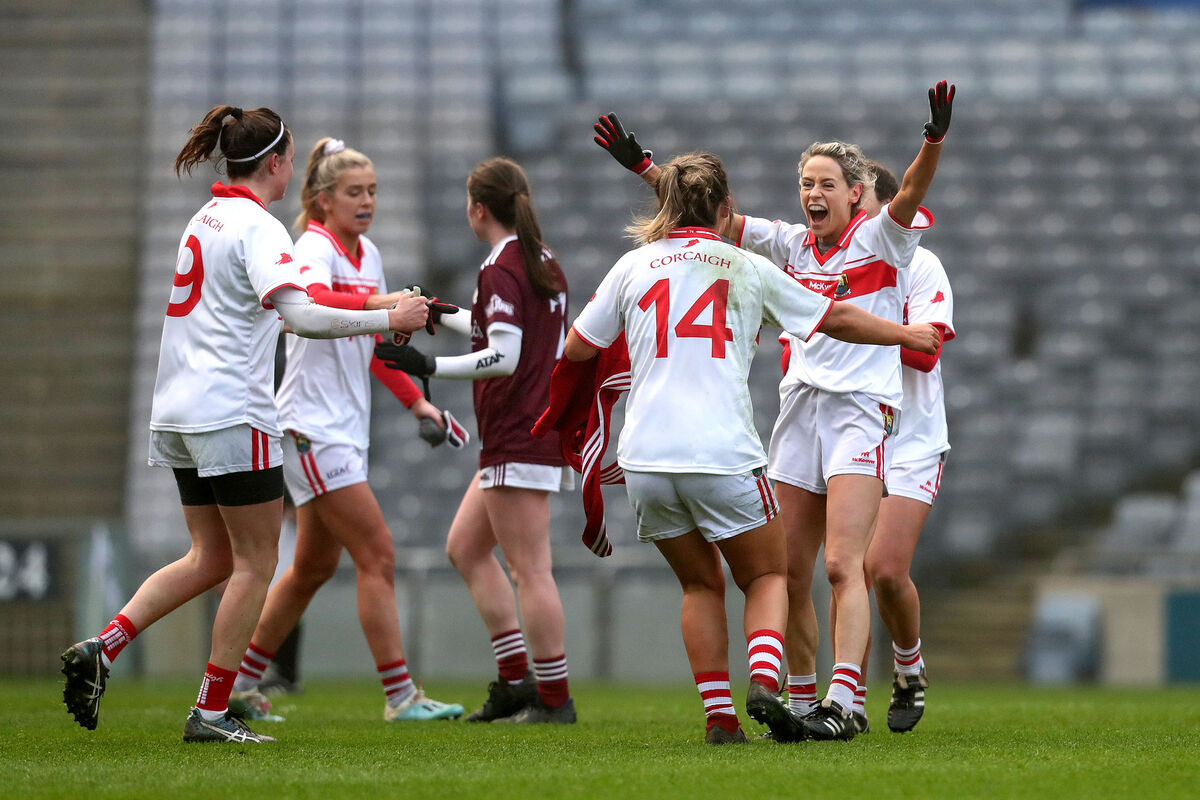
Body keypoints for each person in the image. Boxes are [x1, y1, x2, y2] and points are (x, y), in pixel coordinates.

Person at [594, 80, 955, 740]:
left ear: (853, 193)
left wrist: (931, 141)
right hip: (799, 412)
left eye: (827, 184)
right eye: (806, 183)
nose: (814, 195)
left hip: (858, 412)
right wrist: (647, 168)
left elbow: (908, 194)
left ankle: (845, 705)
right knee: (786, 572)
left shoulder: (884, 241)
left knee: (846, 565)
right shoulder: (787, 244)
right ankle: (797, 697)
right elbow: (704, 219)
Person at [59, 106, 429, 744]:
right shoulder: (260, 227)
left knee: (210, 557)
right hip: (233, 410)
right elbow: (301, 317)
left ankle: (104, 645)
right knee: (255, 562)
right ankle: (209, 712)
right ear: (279, 163)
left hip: (175, 410)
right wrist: (386, 320)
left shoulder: (203, 219)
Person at [225, 137, 464, 723]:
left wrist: (419, 406)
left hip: (342, 430)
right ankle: (401, 696)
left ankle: (239, 683)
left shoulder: (368, 253)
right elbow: (309, 302)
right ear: (323, 199)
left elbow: (376, 343)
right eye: (354, 192)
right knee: (377, 555)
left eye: (373, 191)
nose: (367, 201)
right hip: (311, 427)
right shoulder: (312, 245)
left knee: (309, 569)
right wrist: (382, 301)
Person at [374, 157, 577, 723]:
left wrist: (427, 365)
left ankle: (554, 700)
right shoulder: (541, 261)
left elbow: (505, 355)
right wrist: (443, 314)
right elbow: (504, 329)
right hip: (524, 432)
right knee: (466, 547)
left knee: (531, 570)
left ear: (477, 208)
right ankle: (516, 682)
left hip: (519, 430)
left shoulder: (502, 267)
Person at [853, 160, 954, 733]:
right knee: (849, 573)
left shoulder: (921, 264)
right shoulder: (832, 264)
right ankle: (846, 700)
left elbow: (926, 351)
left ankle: (909, 666)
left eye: (858, 199)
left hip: (911, 438)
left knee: (885, 569)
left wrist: (854, 329)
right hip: (853, 431)